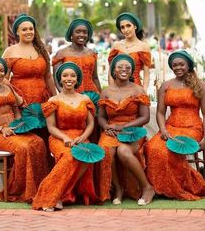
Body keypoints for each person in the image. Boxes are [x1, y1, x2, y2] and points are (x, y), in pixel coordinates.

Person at [0, 57, 49, 202]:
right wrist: (1, 128)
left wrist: (21, 124)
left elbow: (17, 109)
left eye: (2, 71)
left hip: (14, 129)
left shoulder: (8, 88)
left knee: (38, 142)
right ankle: (19, 190)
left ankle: (40, 187)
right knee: (23, 147)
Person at [32, 62, 98, 211]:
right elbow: (51, 127)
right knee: (69, 156)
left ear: (77, 79)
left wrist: (83, 137)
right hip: (59, 138)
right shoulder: (53, 101)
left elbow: (90, 124)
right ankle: (50, 195)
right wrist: (64, 138)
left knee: (86, 156)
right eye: (65, 75)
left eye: (73, 75)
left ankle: (60, 195)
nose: (69, 78)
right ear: (60, 79)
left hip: (80, 137)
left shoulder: (85, 99)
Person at [145, 50, 205, 200]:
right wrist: (163, 130)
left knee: (171, 150)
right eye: (174, 65)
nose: (178, 67)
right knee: (152, 147)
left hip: (192, 128)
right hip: (170, 127)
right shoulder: (166, 86)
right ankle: (160, 187)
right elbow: (159, 112)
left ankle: (179, 187)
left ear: (189, 65)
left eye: (181, 64)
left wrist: (204, 138)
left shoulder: (200, 85)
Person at [97, 54, 155, 205]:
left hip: (132, 130)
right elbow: (101, 117)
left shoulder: (138, 90)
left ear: (132, 72)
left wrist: (122, 127)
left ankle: (147, 187)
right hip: (111, 130)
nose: (124, 69)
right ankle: (117, 188)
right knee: (106, 150)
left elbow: (145, 118)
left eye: (128, 68)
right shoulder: (106, 91)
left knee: (123, 151)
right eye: (120, 67)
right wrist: (106, 127)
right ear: (113, 71)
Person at [2, 13, 56, 104]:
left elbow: (48, 77)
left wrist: (55, 97)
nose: (28, 32)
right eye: (24, 29)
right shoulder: (10, 51)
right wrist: (15, 96)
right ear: (17, 32)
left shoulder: (42, 50)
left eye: (31, 29)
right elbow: (3, 79)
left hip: (42, 100)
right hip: (19, 100)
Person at [52, 18, 101, 94]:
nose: (82, 35)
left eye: (85, 32)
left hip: (91, 95)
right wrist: (64, 95)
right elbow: (56, 79)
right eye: (78, 32)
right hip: (70, 95)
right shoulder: (62, 53)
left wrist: (100, 96)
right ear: (71, 34)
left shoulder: (92, 53)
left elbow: (95, 78)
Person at [108, 13, 151, 92]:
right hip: (118, 89)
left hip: (136, 89)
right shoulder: (116, 46)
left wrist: (144, 92)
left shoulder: (144, 47)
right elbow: (111, 71)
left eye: (128, 25)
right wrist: (112, 90)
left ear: (135, 26)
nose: (126, 30)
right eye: (122, 27)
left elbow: (146, 74)